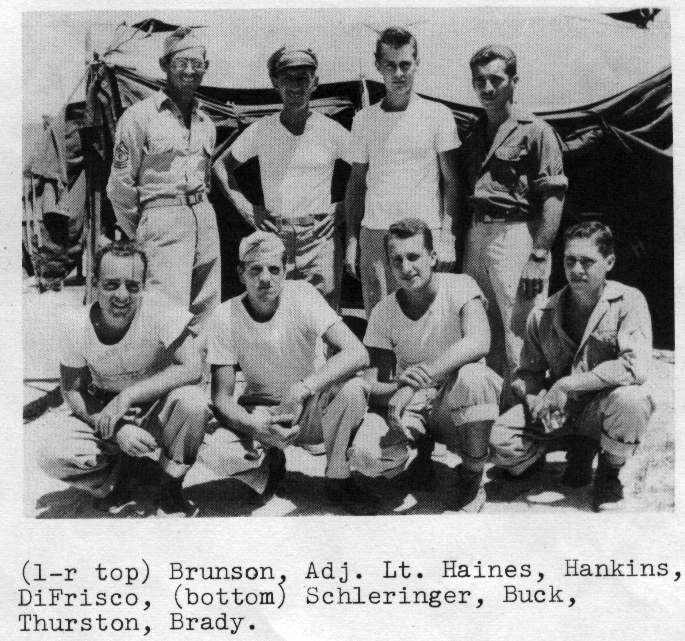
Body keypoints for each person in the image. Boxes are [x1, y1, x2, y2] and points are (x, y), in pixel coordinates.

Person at [489, 222, 655, 511]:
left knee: (633, 401)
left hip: (602, 408)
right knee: (500, 440)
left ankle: (608, 472)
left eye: (587, 261)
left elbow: (634, 368)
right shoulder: (543, 314)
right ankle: (551, 454)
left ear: (609, 262)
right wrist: (534, 398)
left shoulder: (629, 301)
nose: (577, 269)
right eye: (570, 261)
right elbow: (527, 373)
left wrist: (566, 384)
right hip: (559, 415)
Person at [37, 241, 210, 517]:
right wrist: (117, 429)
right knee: (52, 454)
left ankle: (169, 483)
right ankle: (116, 481)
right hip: (106, 413)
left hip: (156, 409)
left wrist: (128, 395)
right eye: (111, 285)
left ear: (143, 286)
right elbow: (72, 391)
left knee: (193, 402)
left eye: (132, 286)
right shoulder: (76, 324)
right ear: (94, 284)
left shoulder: (158, 308)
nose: (122, 295)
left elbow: (192, 367)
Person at [205, 231, 373, 514]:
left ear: (285, 272)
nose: (265, 278)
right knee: (216, 450)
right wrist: (255, 427)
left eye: (274, 269)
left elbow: (357, 352)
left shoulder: (303, 295)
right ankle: (268, 467)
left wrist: (302, 389)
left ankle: (337, 476)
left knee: (353, 390)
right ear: (241, 273)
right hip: (264, 411)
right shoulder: (225, 314)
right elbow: (221, 399)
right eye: (255, 269)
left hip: (312, 407)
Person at [348, 219, 502, 512]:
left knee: (474, 376)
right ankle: (421, 455)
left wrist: (421, 376)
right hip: (413, 405)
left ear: (433, 257)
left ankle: (472, 475)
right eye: (397, 260)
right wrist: (400, 386)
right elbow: (373, 385)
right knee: (367, 456)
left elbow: (479, 342)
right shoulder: (383, 311)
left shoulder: (460, 286)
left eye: (414, 256)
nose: (406, 268)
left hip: (454, 404)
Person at [456, 45, 568, 399]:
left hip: (516, 235)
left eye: (495, 79)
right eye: (479, 81)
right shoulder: (474, 133)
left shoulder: (536, 131)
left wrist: (538, 255)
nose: (487, 88)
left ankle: (523, 427)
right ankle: (488, 420)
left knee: (519, 331)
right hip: (477, 234)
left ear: (514, 81)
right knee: (479, 327)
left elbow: (554, 197)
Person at [214, 48, 352, 310]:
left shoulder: (330, 130)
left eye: (303, 78)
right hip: (275, 236)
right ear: (275, 83)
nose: (295, 86)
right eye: (287, 78)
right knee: (276, 315)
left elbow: (366, 170)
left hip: (319, 237)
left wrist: (343, 207)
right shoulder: (262, 130)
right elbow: (221, 166)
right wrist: (246, 206)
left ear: (315, 83)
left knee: (324, 317)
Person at [107, 27, 219, 331]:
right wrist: (144, 229)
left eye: (198, 64)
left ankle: (198, 376)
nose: (190, 70)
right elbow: (120, 187)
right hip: (161, 216)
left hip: (203, 217)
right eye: (181, 63)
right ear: (164, 66)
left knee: (205, 308)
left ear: (205, 69)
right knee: (165, 311)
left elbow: (205, 178)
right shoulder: (139, 117)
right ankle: (165, 376)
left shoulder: (207, 122)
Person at [344, 27, 461, 318]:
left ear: (417, 64)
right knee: (381, 326)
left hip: (423, 236)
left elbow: (453, 183)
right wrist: (352, 242)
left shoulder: (438, 115)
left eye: (405, 64)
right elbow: (357, 184)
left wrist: (447, 239)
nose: (398, 73)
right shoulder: (363, 120)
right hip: (376, 235)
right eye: (390, 65)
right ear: (378, 66)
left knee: (429, 324)